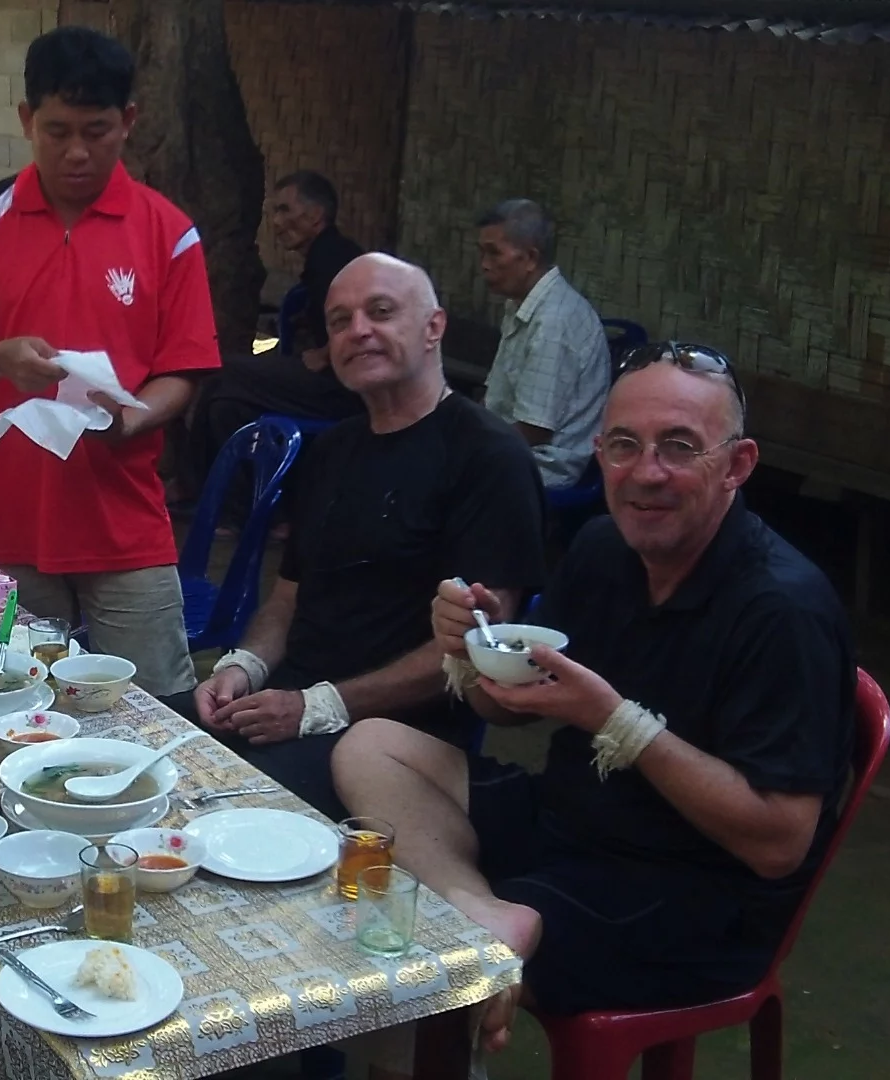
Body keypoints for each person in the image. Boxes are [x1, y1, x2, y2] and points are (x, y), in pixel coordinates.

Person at [332, 342, 854, 1056]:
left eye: (678, 447)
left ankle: (484, 935)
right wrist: (467, 651)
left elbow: (777, 844)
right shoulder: (605, 549)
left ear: (735, 466)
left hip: (690, 898)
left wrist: (615, 721)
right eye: (622, 445)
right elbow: (505, 710)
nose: (645, 473)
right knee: (371, 744)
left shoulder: (782, 610)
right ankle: (483, 910)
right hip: (573, 823)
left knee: (422, 956)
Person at [179, 253, 546, 818]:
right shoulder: (332, 450)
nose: (359, 332)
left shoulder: (489, 456)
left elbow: (480, 644)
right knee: (129, 744)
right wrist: (242, 666)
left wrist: (318, 707)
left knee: (209, 811)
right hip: (285, 700)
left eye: (380, 312)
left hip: (390, 740)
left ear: (433, 327)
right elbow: (288, 598)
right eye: (340, 321)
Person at [0, 25, 221, 698]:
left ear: (128, 122)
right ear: (26, 120)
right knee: (8, 700)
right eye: (56, 131)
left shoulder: (168, 233)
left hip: (125, 522)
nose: (77, 151)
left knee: (156, 708)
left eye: (96, 130)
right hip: (8, 519)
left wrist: (135, 416)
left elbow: (186, 368)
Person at [178, 170, 366, 506]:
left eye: (285, 210)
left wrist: (324, 353)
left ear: (315, 216)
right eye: (275, 212)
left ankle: (190, 488)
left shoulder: (336, 258)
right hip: (320, 377)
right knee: (226, 406)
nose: (277, 222)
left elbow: (360, 320)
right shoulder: (322, 257)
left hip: (339, 387)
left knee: (221, 370)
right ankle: (247, 509)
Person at [475, 198, 609, 489]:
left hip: (541, 468)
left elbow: (532, 431)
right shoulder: (521, 304)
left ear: (531, 258)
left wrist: (469, 447)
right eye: (482, 252)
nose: (484, 265)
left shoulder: (553, 322)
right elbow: (494, 396)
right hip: (509, 448)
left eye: (494, 253)